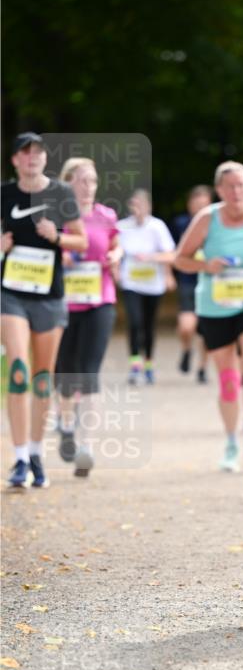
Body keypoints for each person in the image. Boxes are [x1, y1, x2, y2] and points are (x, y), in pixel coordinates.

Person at [174, 161, 243, 472]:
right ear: (219, 190)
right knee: (228, 378)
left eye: (241, 185)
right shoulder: (207, 218)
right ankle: (231, 442)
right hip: (216, 306)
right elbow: (180, 259)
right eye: (230, 186)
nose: (236, 191)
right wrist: (206, 265)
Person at [1, 133, 87, 489]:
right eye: (25, 152)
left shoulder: (61, 194)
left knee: (41, 377)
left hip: (49, 296)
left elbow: (81, 240)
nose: (32, 157)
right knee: (19, 370)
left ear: (45, 159)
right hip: (11, 294)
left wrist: (58, 236)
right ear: (15, 160)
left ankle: (36, 454)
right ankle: (19, 457)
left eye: (37, 152)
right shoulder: (4, 194)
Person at [54, 157, 122, 478]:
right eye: (81, 180)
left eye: (92, 180)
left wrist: (116, 255)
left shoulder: (105, 215)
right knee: (65, 373)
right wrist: (61, 257)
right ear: (67, 183)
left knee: (89, 372)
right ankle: (67, 425)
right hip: (63, 304)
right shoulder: (56, 217)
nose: (88, 186)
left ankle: (87, 447)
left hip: (100, 301)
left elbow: (117, 245)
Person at [117, 189, 175, 384]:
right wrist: (116, 271)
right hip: (131, 282)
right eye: (134, 205)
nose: (137, 209)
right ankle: (135, 365)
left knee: (149, 325)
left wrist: (161, 268)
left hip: (153, 284)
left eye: (141, 204)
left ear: (148, 206)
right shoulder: (122, 227)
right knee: (134, 322)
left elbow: (170, 254)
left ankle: (148, 363)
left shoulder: (157, 226)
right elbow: (115, 250)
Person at [171, 185, 212, 383]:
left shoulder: (216, 223)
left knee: (206, 330)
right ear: (189, 205)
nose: (200, 208)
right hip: (188, 280)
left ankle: (202, 367)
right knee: (187, 327)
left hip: (210, 280)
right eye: (197, 204)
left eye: (204, 204)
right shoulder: (180, 223)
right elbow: (172, 251)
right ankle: (187, 349)